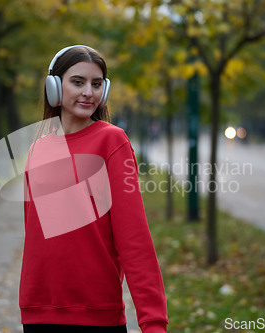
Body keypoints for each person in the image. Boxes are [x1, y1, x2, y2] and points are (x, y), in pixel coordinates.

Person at [20, 45, 168, 333]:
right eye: (78, 82)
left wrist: (153, 322)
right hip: (38, 311)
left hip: (97, 314)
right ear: (54, 87)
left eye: (96, 84)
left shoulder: (112, 142)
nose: (89, 91)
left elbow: (134, 237)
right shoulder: (37, 149)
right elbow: (35, 234)